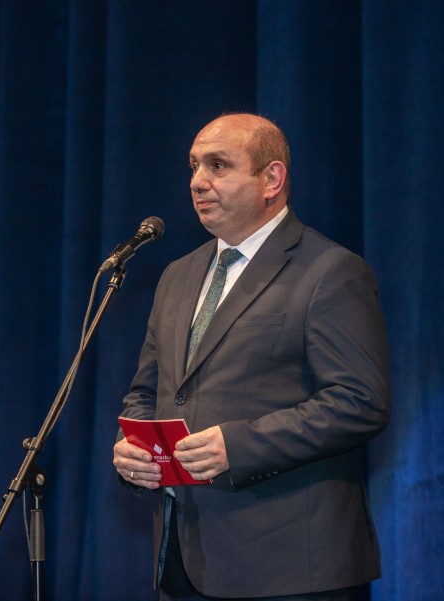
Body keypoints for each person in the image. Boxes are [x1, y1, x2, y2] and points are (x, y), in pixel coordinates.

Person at [113, 113, 391, 601]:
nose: (198, 181)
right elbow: (147, 392)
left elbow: (359, 401)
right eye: (194, 166)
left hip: (290, 566)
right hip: (184, 561)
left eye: (218, 165)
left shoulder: (329, 271)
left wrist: (239, 446)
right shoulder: (177, 275)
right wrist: (133, 447)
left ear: (272, 179)